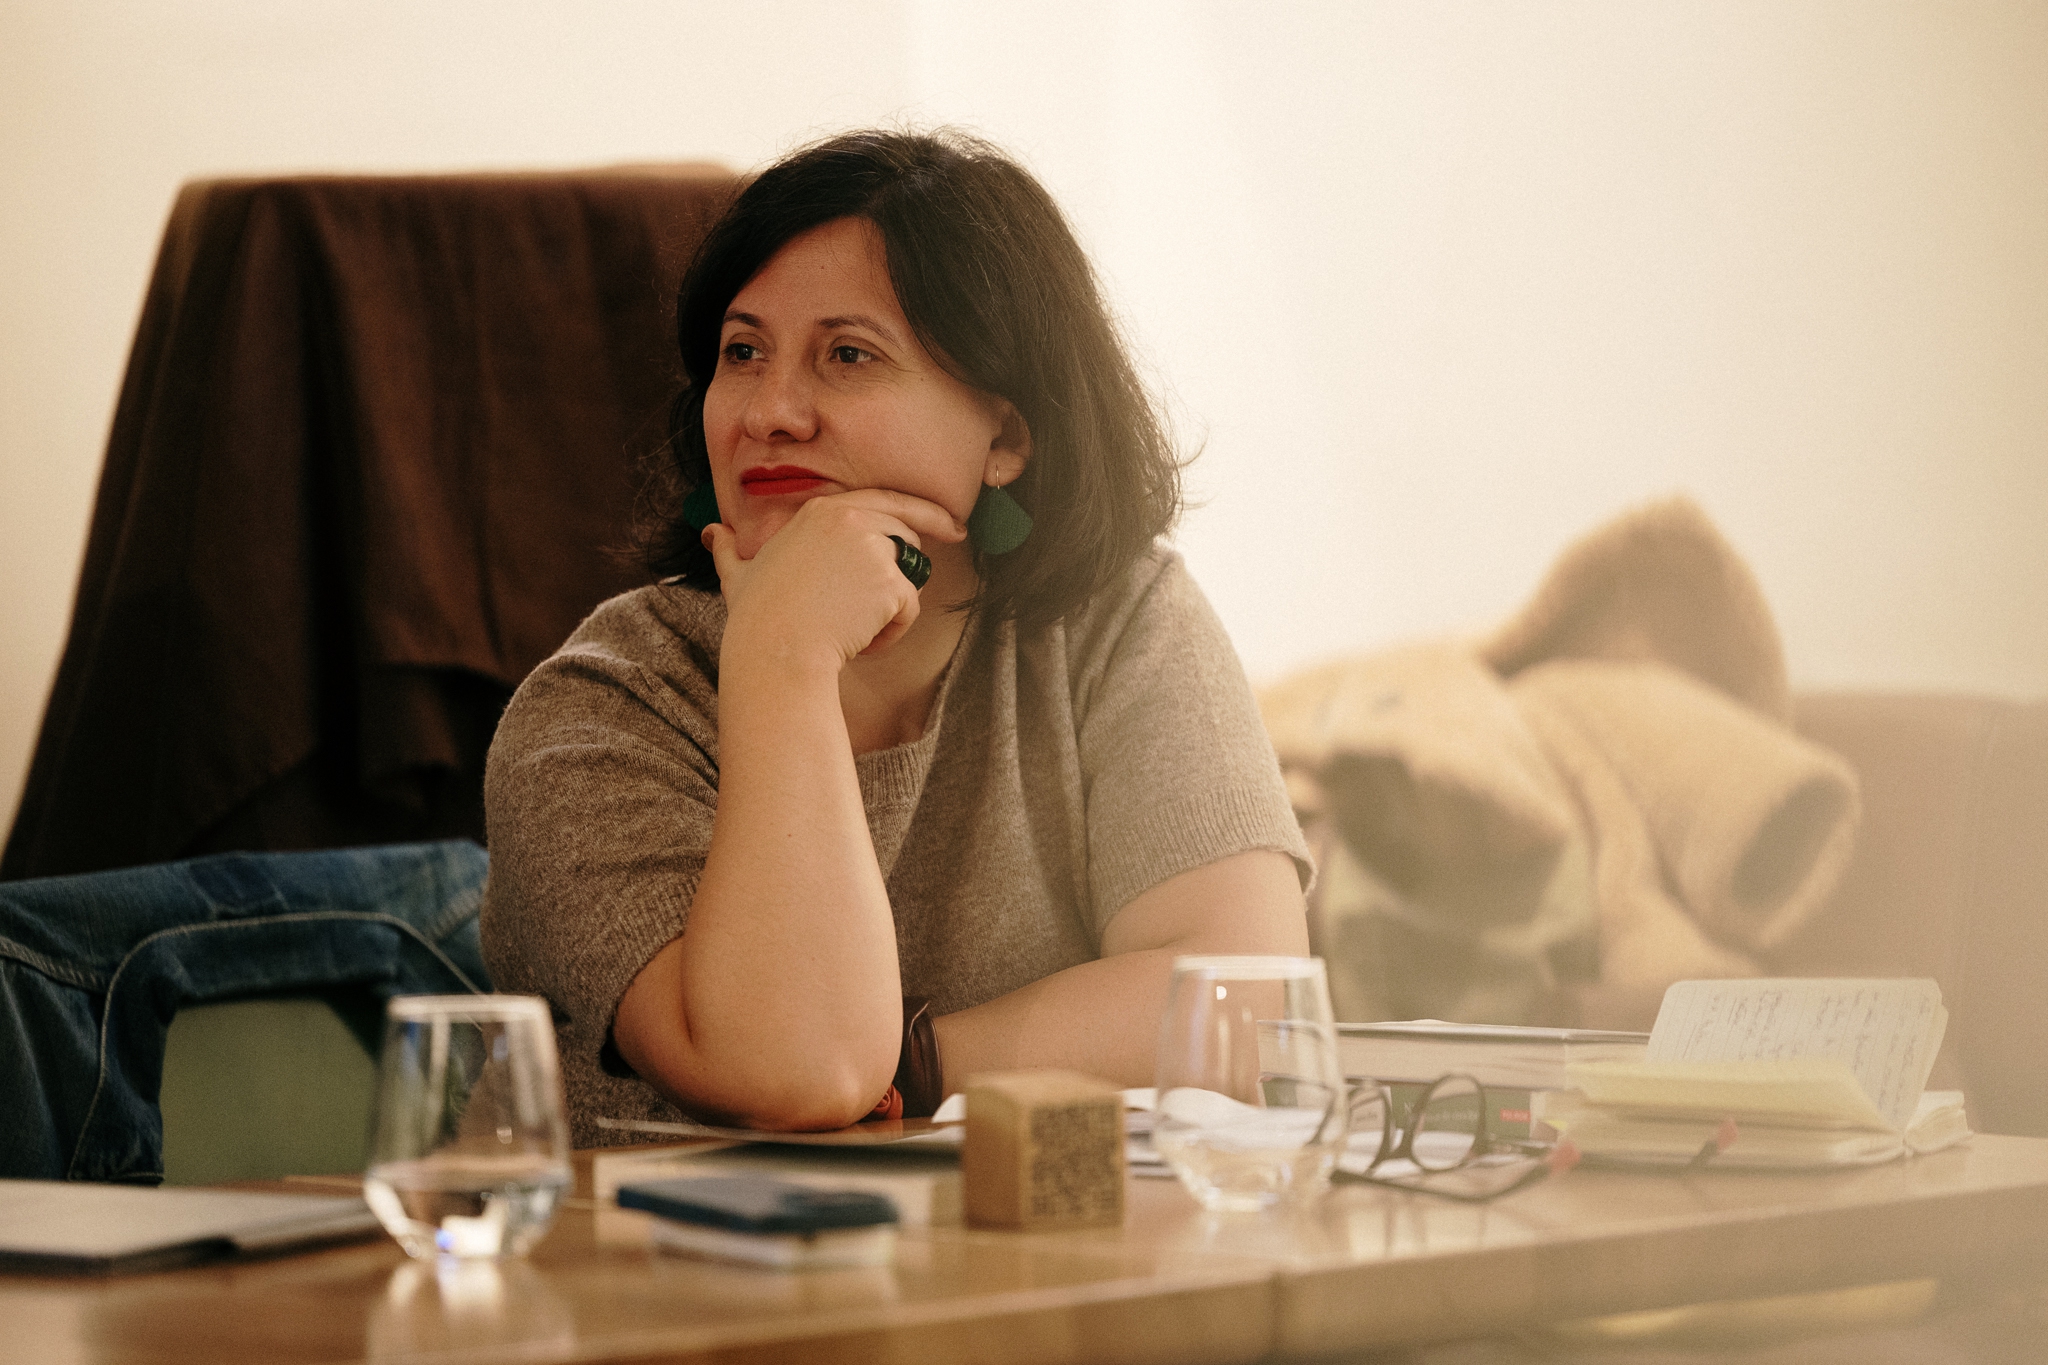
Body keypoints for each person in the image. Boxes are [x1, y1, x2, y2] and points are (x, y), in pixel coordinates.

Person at [480, 129, 1312, 1141]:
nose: (771, 412)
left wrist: (912, 1065)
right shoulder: (598, 709)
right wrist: (782, 658)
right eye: (743, 353)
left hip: (1034, 1235)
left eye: (847, 355)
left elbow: (1242, 1011)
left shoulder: (1115, 621)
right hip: (653, 1244)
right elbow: (794, 1073)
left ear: (1006, 436)